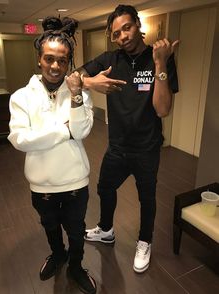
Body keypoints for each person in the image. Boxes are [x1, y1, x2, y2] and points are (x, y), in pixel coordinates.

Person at [79, 4, 179, 273]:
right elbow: (74, 78)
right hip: (117, 147)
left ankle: (144, 241)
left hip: (147, 148)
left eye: (127, 27)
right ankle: (107, 229)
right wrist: (91, 83)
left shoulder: (160, 57)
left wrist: (159, 63)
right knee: (104, 188)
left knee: (147, 198)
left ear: (137, 24)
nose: (122, 36)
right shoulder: (110, 59)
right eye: (116, 33)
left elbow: (163, 109)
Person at [8, 16, 96, 294]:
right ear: (39, 60)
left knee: (76, 228)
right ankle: (58, 255)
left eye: (63, 60)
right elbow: (21, 139)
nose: (56, 66)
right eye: (49, 59)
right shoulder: (21, 97)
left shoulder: (78, 92)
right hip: (41, 183)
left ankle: (76, 265)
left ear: (69, 61)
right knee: (49, 225)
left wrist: (77, 96)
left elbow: (81, 131)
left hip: (75, 181)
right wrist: (63, 131)